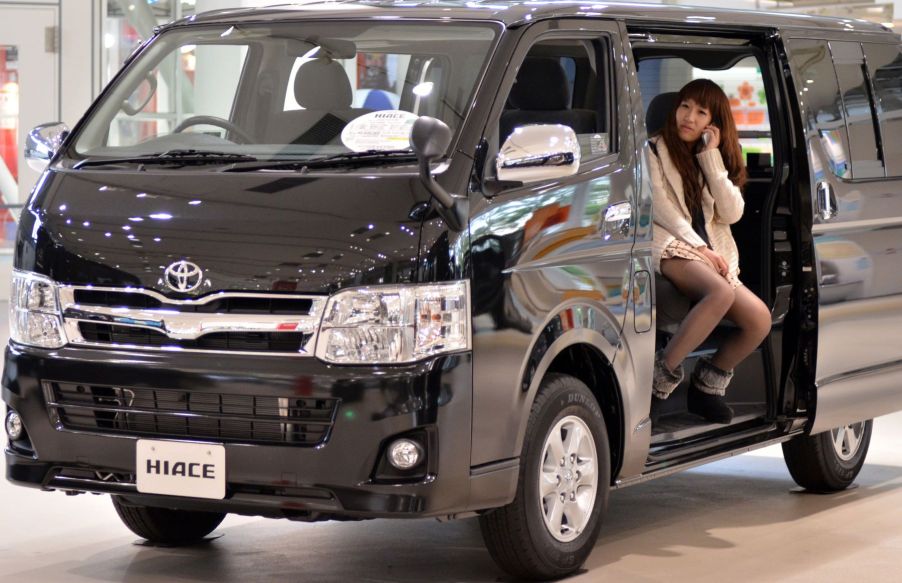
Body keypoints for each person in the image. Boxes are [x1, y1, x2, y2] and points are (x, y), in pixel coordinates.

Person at [649, 79, 771, 424]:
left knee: (758, 319)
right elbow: (661, 209)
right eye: (685, 106)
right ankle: (658, 383)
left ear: (713, 124)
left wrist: (711, 158)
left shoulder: (710, 157)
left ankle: (706, 387)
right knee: (718, 291)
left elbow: (733, 213)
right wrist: (699, 248)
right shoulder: (653, 149)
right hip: (667, 240)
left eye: (701, 112)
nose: (689, 117)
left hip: (710, 250)